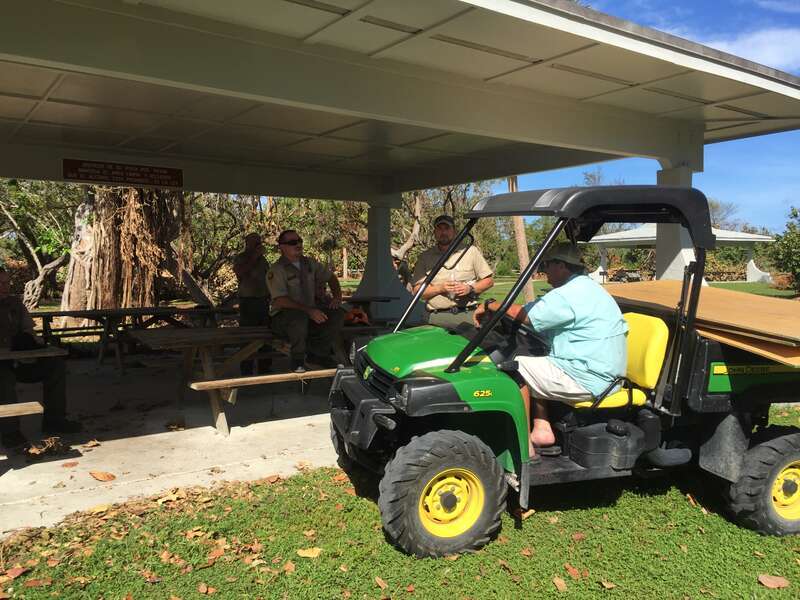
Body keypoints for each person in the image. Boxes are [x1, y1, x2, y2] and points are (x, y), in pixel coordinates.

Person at [473, 243, 628, 458]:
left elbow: (527, 316)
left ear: (561, 266)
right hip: (599, 372)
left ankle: (523, 445)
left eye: (547, 264)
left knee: (510, 367)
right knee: (534, 356)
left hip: (588, 378)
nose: (544, 269)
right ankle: (542, 429)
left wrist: (490, 304)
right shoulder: (584, 287)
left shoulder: (569, 294)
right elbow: (531, 313)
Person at [0, 267, 80, 449]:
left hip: (19, 359)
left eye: (6, 283)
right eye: (0, 283)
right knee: (4, 379)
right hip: (2, 364)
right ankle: (9, 431)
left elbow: (28, 331)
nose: (4, 287)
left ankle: (54, 419)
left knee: (55, 366)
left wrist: (31, 348)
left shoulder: (16, 305)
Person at [267, 230, 345, 373]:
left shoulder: (310, 263)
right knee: (299, 317)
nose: (298, 244)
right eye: (292, 242)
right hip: (282, 318)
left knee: (337, 314)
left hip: (309, 313)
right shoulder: (277, 269)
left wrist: (337, 297)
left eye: (299, 240)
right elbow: (280, 300)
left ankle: (319, 355)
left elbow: (331, 278)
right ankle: (297, 360)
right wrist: (309, 310)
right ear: (282, 247)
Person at [411, 214, 494, 328]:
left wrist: (470, 289)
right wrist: (440, 288)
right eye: (439, 229)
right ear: (434, 232)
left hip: (468, 315)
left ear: (454, 231)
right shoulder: (425, 257)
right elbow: (417, 291)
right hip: (435, 318)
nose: (443, 232)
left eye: (447, 228)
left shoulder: (471, 251)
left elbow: (489, 281)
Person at [233, 232, 271, 375]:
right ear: (247, 243)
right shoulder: (241, 258)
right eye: (254, 243)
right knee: (248, 336)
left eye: (259, 242)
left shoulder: (264, 260)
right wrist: (254, 257)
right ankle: (246, 368)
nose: (257, 245)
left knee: (265, 335)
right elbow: (240, 272)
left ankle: (264, 367)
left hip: (263, 300)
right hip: (248, 302)